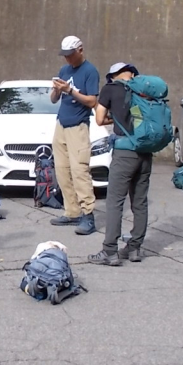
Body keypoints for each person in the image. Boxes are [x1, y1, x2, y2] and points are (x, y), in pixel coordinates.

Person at [89, 63, 150, 266]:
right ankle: (134, 249)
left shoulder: (110, 89)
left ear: (113, 76)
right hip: (145, 151)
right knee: (139, 202)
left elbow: (99, 119)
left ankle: (110, 251)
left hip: (124, 152)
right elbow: (142, 120)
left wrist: (114, 119)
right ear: (132, 73)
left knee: (115, 201)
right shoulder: (143, 89)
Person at [50, 36, 100, 235]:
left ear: (80, 50)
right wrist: (56, 90)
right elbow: (55, 99)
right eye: (65, 56)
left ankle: (88, 214)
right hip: (61, 124)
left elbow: (92, 101)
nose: (67, 60)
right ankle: (72, 211)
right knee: (62, 170)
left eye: (70, 55)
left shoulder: (90, 71)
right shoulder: (64, 70)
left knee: (79, 171)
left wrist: (70, 90)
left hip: (78, 126)